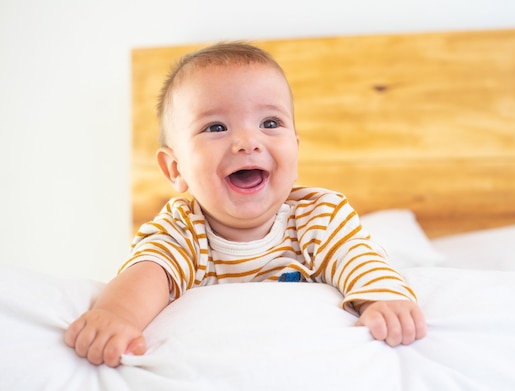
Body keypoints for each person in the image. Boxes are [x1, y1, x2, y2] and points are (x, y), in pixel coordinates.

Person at [65, 42, 427, 367]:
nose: (247, 141)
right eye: (216, 127)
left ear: (296, 150)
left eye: (270, 122)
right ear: (176, 169)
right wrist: (117, 316)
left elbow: (356, 257)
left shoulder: (318, 216)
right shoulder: (182, 229)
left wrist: (383, 300)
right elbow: (149, 272)